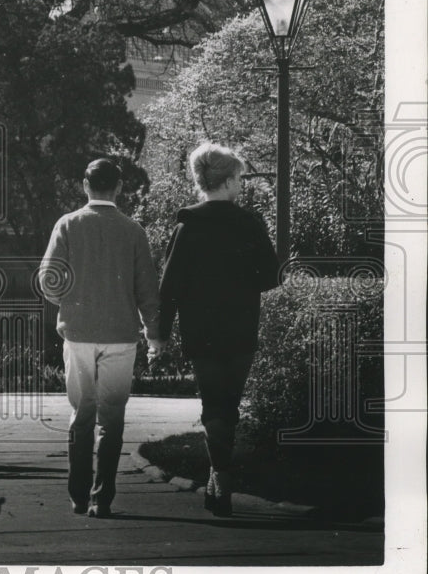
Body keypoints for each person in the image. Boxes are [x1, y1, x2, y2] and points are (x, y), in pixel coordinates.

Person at [159, 143, 279, 517]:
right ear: (227, 181)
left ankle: (219, 476)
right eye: (239, 178)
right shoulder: (249, 224)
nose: (241, 185)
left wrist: (159, 333)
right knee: (230, 403)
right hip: (241, 325)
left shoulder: (187, 225)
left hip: (202, 329)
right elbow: (272, 275)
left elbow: (170, 286)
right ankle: (220, 474)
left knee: (213, 403)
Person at [39, 159, 163, 519]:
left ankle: (78, 495)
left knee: (81, 414)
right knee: (112, 418)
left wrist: (71, 301)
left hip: (78, 333)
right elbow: (147, 290)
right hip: (121, 337)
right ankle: (101, 497)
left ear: (85, 185)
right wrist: (153, 334)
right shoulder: (133, 230)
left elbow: (49, 279)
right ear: (119, 188)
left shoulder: (68, 225)